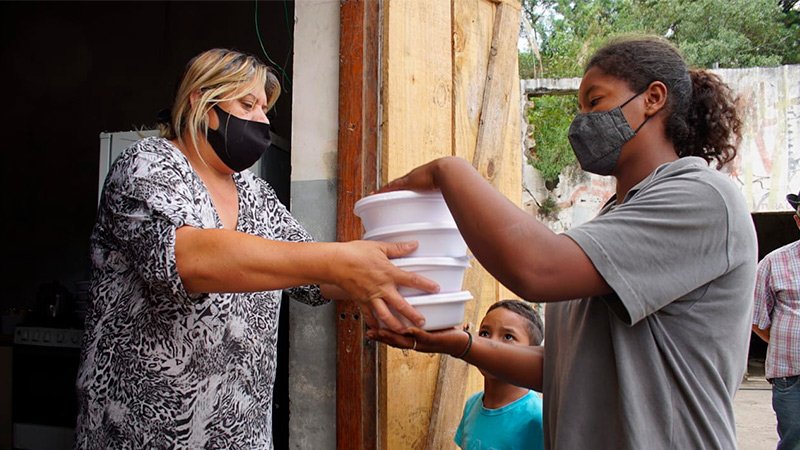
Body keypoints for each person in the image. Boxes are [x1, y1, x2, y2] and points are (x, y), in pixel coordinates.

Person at [368, 35, 756, 449]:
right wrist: (461, 345)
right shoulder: (615, 218)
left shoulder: (701, 198)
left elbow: (538, 269)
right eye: (580, 108)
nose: (582, 121)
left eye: (595, 101)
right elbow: (563, 370)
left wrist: (449, 172)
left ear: (653, 98)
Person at [74, 48, 437, 449]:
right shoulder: (148, 164)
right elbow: (187, 260)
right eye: (247, 105)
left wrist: (396, 275)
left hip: (241, 432)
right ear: (201, 102)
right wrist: (340, 261)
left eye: (264, 109)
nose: (262, 120)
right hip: (139, 432)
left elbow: (314, 278)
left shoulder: (255, 193)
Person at [454, 299, 544, 450]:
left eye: (508, 337)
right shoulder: (472, 404)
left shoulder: (538, 418)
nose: (490, 344)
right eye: (485, 333)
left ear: (531, 353)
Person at [752, 191, 800, 450]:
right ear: (798, 221)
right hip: (790, 375)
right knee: (794, 441)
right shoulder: (774, 262)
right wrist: (785, 341)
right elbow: (755, 317)